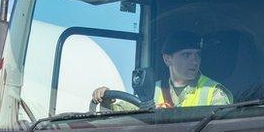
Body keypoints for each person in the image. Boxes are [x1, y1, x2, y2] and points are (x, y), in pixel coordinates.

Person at [92, 30, 232, 109]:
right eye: (186, 55)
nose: (194, 61)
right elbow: (126, 113)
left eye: (197, 55)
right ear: (167, 59)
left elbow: (219, 131)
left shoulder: (214, 92)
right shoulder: (152, 90)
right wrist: (105, 97)